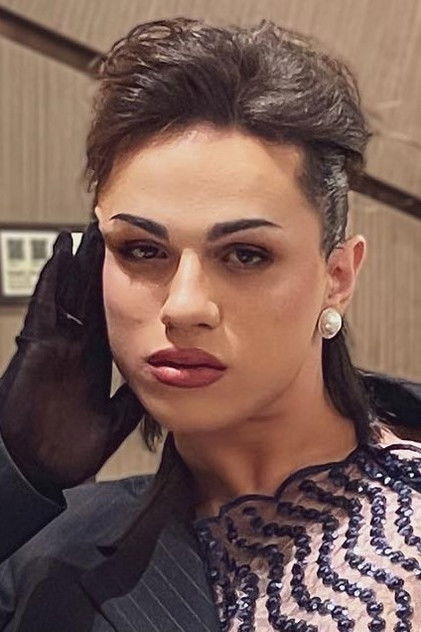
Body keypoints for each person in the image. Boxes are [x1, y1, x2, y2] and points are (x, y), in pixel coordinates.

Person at [0, 16, 420, 632]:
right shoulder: (47, 565)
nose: (184, 306)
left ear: (337, 276)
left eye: (245, 255)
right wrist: (16, 475)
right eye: (142, 250)